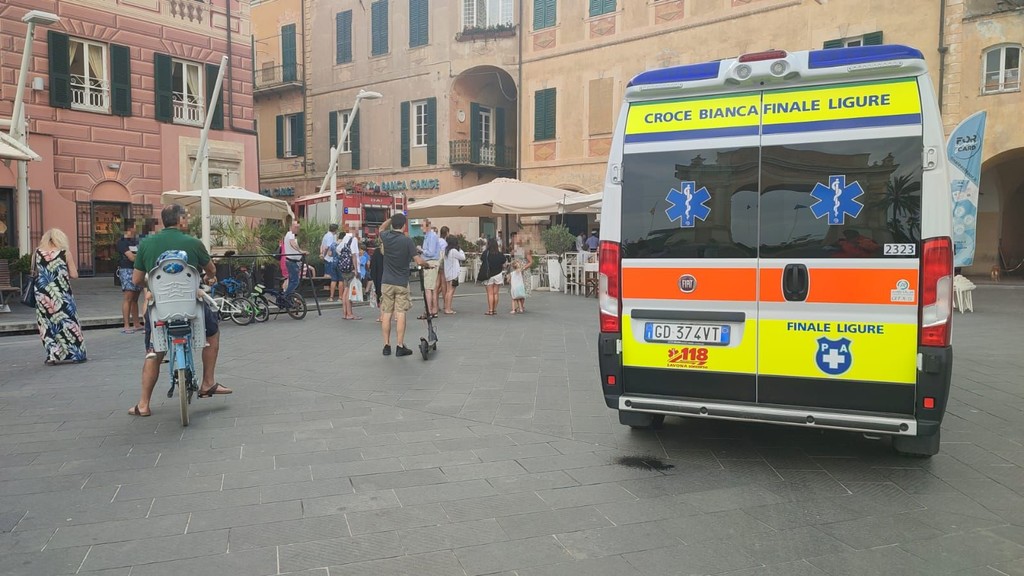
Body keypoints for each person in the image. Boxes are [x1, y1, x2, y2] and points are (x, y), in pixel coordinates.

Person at [129, 204, 231, 417]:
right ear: (181, 220)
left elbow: (136, 279)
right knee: (212, 334)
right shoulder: (193, 243)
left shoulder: (147, 244)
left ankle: (144, 404)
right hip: (190, 307)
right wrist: (209, 277)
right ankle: (208, 382)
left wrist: (153, 285)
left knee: (153, 351)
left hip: (159, 309)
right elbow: (211, 270)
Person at [32, 228, 86, 365]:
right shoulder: (64, 253)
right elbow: (74, 275)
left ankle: (52, 355)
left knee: (47, 324)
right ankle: (76, 354)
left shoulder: (37, 253)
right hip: (61, 293)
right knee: (69, 322)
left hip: (42, 294)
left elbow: (34, 272)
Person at [378, 214, 430, 357]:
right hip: (401, 282)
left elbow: (381, 228)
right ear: (404, 225)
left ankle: (386, 346)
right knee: (400, 313)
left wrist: (391, 219)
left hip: (386, 281)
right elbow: (418, 261)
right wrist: (427, 264)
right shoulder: (407, 240)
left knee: (386, 313)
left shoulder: (386, 237)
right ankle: (400, 346)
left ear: (392, 224)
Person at [116, 219, 143, 334]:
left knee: (135, 298)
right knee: (128, 297)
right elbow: (131, 257)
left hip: (136, 269)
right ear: (130, 228)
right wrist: (138, 257)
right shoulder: (122, 242)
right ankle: (126, 325)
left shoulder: (135, 241)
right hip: (126, 270)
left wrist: (137, 256)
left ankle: (136, 323)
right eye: (135, 226)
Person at [336, 223, 361, 320]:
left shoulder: (345, 238)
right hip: (351, 269)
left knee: (346, 290)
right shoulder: (353, 239)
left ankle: (345, 313)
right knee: (349, 291)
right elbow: (354, 255)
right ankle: (350, 314)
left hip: (344, 268)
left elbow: (338, 249)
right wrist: (356, 269)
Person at [419, 219, 442, 318]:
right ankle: (433, 310)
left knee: (428, 288)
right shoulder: (429, 236)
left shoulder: (431, 236)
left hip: (431, 262)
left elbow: (431, 252)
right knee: (431, 288)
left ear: (428, 226)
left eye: (422, 225)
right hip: (430, 262)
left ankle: (429, 311)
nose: (421, 228)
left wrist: (421, 250)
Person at [479, 237, 506, 316]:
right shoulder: (500, 254)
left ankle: (490, 310)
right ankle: (494, 309)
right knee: (496, 293)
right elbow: (504, 261)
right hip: (498, 274)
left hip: (489, 275)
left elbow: (482, 259)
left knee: (490, 293)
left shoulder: (486, 253)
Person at [442, 227, 466, 315]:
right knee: (451, 291)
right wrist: (460, 249)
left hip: (448, 273)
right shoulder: (454, 251)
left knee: (448, 291)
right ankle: (448, 309)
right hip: (453, 274)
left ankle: (447, 307)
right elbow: (463, 257)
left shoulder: (447, 251)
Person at [282, 220, 307, 298]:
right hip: (292, 262)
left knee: (292, 280)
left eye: (298, 227)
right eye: (295, 227)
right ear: (291, 227)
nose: (297, 229)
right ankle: (286, 296)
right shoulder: (290, 234)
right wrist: (301, 251)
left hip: (292, 261)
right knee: (295, 281)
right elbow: (292, 244)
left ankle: (288, 297)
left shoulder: (290, 235)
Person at [509, 248, 533, 314]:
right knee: (516, 290)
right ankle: (518, 307)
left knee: (522, 290)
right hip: (515, 271)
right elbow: (512, 257)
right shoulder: (516, 250)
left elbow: (531, 261)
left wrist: (523, 268)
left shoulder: (525, 251)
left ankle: (520, 306)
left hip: (523, 272)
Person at [320, 223, 340, 301]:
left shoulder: (326, 235)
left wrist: (322, 254)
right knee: (330, 275)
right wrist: (324, 255)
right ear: (336, 230)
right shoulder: (330, 236)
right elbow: (328, 247)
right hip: (329, 258)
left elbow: (322, 246)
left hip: (328, 258)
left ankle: (328, 290)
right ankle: (327, 291)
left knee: (328, 273)